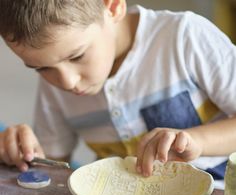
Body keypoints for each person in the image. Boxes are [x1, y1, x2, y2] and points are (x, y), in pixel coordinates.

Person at [0, 0, 236, 182]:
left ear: (112, 7)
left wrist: (198, 141)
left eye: (77, 56)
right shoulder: (54, 83)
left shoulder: (185, 37)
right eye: (41, 68)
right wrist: (24, 154)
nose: (68, 82)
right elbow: (53, 168)